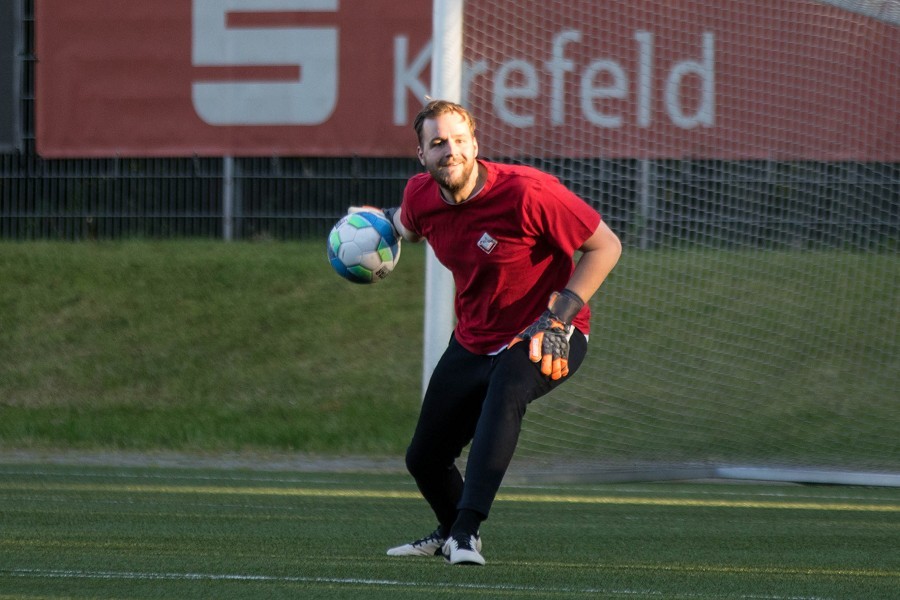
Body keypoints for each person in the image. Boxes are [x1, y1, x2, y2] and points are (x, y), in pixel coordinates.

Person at [352, 99, 621, 566]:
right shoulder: (421, 197)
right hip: (475, 339)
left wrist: (559, 317)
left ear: (475, 145)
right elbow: (405, 225)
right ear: (422, 156)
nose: (449, 151)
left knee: (506, 391)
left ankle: (466, 531)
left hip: (550, 330)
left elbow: (605, 246)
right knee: (424, 457)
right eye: (437, 143)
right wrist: (367, 227)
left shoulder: (528, 192)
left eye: (459, 140)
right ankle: (448, 530)